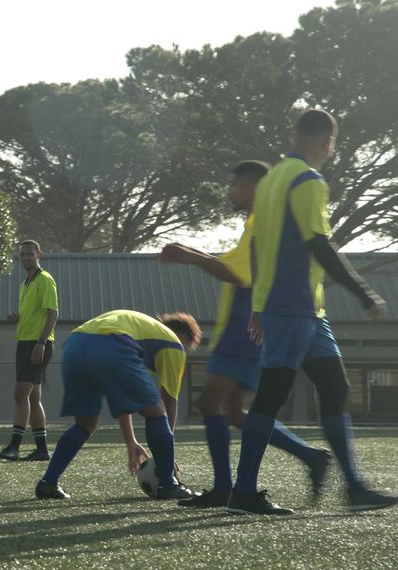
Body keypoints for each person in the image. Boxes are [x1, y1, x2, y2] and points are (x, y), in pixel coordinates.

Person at [227, 109, 395, 515]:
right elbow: (318, 243)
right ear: (328, 143)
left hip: (299, 307)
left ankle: (355, 487)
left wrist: (255, 302)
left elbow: (255, 243)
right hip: (293, 303)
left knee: (335, 388)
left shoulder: (271, 181)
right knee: (271, 394)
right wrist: (364, 293)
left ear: (293, 134)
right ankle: (244, 493)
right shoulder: (308, 180)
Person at [160, 161, 332, 508]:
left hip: (245, 326)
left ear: (255, 186)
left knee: (211, 403)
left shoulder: (262, 221)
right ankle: (309, 458)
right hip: (244, 325)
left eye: (235, 183)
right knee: (234, 412)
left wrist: (190, 256)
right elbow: (238, 266)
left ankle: (229, 488)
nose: (230, 190)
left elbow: (239, 274)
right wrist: (192, 254)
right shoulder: (257, 222)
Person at [34, 309, 201, 501]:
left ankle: (48, 482)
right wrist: (166, 459)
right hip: (113, 343)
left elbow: (123, 397)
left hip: (75, 343)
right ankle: (167, 484)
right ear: (185, 338)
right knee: (156, 414)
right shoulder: (173, 343)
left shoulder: (141, 331)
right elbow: (169, 401)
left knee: (85, 424)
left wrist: (131, 441)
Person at [0, 240, 58, 462]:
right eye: (22, 255)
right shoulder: (26, 284)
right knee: (32, 397)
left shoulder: (45, 280)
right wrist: (18, 318)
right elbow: (35, 313)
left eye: (29, 254)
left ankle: (14, 446)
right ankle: (42, 449)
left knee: (20, 394)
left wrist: (41, 342)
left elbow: (52, 314)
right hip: (24, 343)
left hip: (37, 344)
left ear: (38, 254)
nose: (25, 258)